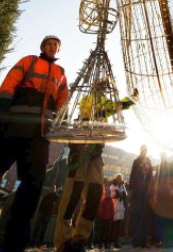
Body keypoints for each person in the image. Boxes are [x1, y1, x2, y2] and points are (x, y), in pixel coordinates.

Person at [0, 35, 68, 252]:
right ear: (43, 47)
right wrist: (3, 107)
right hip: (15, 127)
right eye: (49, 44)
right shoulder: (28, 61)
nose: (52, 47)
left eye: (56, 45)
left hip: (39, 136)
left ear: (58, 50)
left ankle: (15, 243)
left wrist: (63, 122)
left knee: (33, 186)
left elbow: (63, 102)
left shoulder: (61, 74)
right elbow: (10, 82)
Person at [54, 97, 135, 252]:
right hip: (81, 147)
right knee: (73, 194)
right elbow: (94, 110)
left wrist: (126, 102)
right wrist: (118, 105)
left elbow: (110, 107)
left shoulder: (103, 98)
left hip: (96, 153)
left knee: (95, 192)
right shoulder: (90, 96)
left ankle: (79, 239)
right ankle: (64, 241)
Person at [152, 153, 173, 249]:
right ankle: (167, 241)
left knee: (168, 219)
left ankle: (170, 241)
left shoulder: (169, 166)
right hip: (163, 196)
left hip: (167, 195)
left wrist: (172, 190)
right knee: (166, 219)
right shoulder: (162, 168)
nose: (162, 158)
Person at [129, 144, 153, 248]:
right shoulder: (136, 161)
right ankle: (136, 241)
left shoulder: (148, 161)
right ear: (140, 150)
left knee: (144, 216)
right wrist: (131, 190)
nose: (144, 151)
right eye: (143, 150)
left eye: (145, 150)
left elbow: (151, 176)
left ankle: (143, 241)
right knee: (137, 215)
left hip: (145, 192)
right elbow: (132, 176)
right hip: (138, 191)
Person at [31, 184, 59, 249]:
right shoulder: (46, 196)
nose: (52, 189)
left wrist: (55, 192)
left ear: (54, 190)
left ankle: (39, 244)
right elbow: (41, 205)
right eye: (52, 188)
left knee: (43, 231)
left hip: (47, 215)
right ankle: (32, 243)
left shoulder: (54, 196)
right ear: (50, 189)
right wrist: (39, 213)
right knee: (36, 229)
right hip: (41, 214)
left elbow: (57, 198)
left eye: (54, 188)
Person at [110, 173, 127, 249]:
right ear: (116, 179)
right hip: (115, 207)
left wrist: (124, 194)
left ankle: (116, 241)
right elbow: (110, 195)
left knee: (118, 226)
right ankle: (111, 241)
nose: (119, 180)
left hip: (120, 208)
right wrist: (116, 194)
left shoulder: (123, 186)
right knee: (114, 226)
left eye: (120, 179)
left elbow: (126, 193)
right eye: (118, 179)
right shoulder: (113, 186)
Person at [98, 184, 114, 250]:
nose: (108, 194)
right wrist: (101, 216)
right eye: (108, 193)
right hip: (104, 218)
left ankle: (105, 245)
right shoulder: (104, 201)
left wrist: (112, 216)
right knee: (103, 232)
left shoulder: (109, 200)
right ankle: (101, 245)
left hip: (107, 218)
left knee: (106, 232)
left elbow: (112, 209)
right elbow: (101, 209)